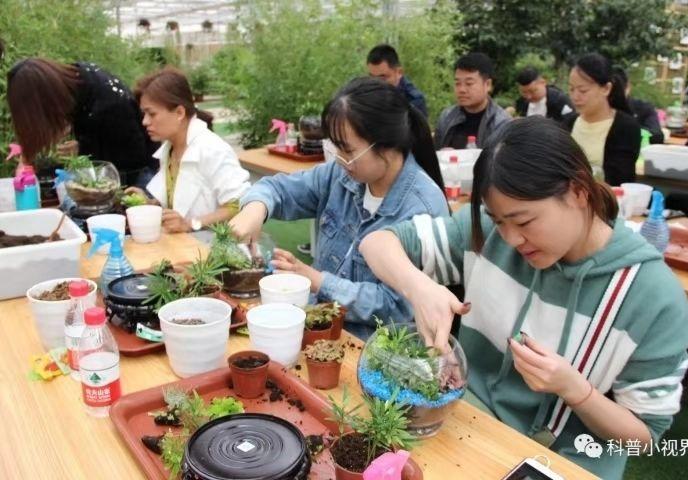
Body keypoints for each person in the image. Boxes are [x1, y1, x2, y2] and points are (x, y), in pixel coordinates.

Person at [359, 117, 688, 479]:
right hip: (467, 426)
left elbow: (643, 439)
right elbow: (377, 243)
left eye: (524, 221)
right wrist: (420, 288)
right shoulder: (492, 233)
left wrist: (575, 389)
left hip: (562, 462)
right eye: (499, 220)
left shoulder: (652, 296)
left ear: (578, 191)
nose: (512, 239)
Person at [229, 77, 448, 338]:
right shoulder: (342, 175)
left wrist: (316, 280)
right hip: (320, 329)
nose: (341, 160)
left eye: (348, 150)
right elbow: (280, 189)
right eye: (335, 147)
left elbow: (397, 308)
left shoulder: (423, 208)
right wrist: (255, 209)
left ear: (387, 147)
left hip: (376, 350)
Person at [125, 67, 251, 233]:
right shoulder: (169, 149)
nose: (145, 122)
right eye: (144, 114)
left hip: (215, 252)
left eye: (152, 114)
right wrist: (150, 205)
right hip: (184, 248)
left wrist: (190, 223)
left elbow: (239, 205)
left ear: (179, 112)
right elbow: (178, 206)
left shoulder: (213, 149)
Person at [6, 58, 157, 187]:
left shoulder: (108, 104)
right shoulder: (76, 80)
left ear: (46, 101)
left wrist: (85, 148)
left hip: (138, 179)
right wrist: (25, 160)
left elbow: (131, 158)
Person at [562, 53, 641, 186]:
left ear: (606, 89)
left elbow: (620, 180)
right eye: (571, 89)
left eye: (583, 91)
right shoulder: (568, 123)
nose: (575, 96)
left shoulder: (625, 127)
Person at [434, 52, 511, 150]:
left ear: (487, 84)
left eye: (469, 83)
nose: (462, 89)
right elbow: (434, 156)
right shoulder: (447, 117)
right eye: (457, 83)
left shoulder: (502, 123)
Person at [367, 44, 428, 117]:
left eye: (383, 78)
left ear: (399, 72)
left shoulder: (414, 100)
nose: (376, 83)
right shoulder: (365, 92)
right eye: (372, 77)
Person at [612, 67, 664, 144]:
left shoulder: (643, 108)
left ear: (628, 88)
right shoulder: (597, 108)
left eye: (618, 91)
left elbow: (657, 136)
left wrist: (627, 128)